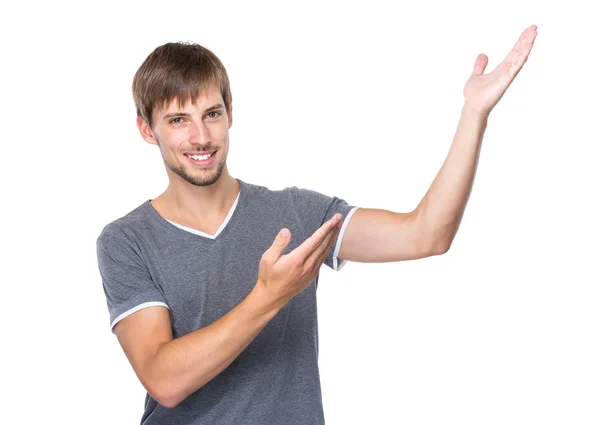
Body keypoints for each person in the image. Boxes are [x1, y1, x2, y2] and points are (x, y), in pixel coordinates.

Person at [96, 25, 538, 424]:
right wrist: (267, 299)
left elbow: (427, 233)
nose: (200, 137)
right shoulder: (127, 240)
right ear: (147, 129)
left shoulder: (297, 214)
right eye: (178, 121)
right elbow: (163, 380)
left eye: (211, 113)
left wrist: (475, 113)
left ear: (230, 113)